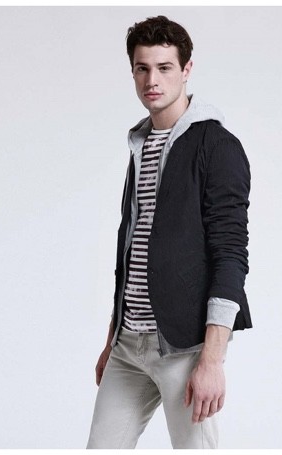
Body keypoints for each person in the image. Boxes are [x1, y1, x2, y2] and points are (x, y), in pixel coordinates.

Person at [86, 15, 253, 449]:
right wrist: (112, 337)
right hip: (128, 346)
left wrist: (212, 359)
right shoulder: (140, 145)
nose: (152, 80)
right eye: (142, 69)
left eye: (164, 68)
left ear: (186, 69)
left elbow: (230, 255)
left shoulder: (217, 146)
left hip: (185, 347)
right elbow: (133, 248)